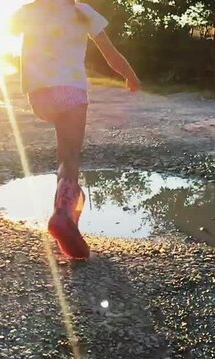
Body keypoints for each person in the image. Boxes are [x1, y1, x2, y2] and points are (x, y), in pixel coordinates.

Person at [10, 0, 140, 260]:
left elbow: (4, 31)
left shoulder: (29, 11)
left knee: (62, 152)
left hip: (39, 96)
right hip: (71, 93)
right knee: (69, 157)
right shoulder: (82, 11)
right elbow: (108, 51)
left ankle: (67, 223)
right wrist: (130, 75)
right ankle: (63, 217)